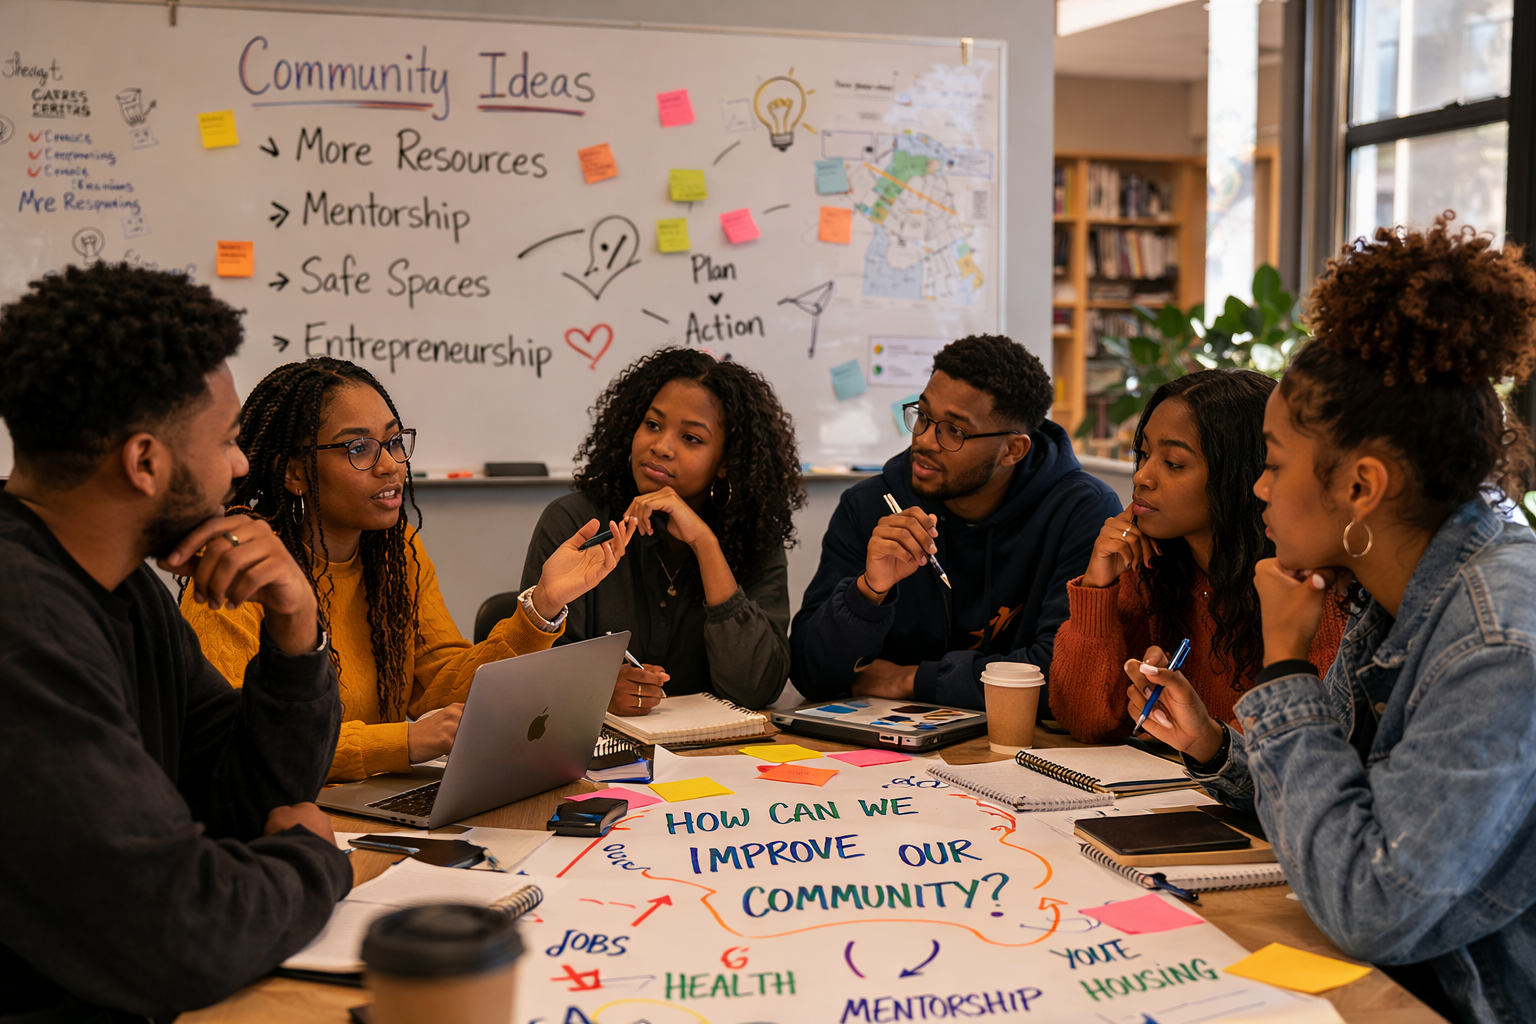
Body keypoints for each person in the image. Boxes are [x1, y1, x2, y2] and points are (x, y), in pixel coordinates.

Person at [1128, 217, 1536, 1023]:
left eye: (1274, 465)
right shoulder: (1396, 580)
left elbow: (1372, 903)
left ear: (1361, 487)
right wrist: (1216, 744)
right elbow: (1334, 802)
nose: (1258, 490)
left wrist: (1283, 669)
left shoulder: (1499, 642)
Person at [0, 264, 350, 1020]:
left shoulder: (120, 586)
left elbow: (244, 798)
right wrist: (316, 860)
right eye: (226, 441)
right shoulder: (22, 625)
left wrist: (294, 631)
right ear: (146, 461)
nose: (241, 465)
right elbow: (182, 934)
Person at [183, 357, 635, 783]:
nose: (390, 465)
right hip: (287, 810)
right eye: (358, 448)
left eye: (395, 442)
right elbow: (247, 740)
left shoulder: (396, 554)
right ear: (295, 472)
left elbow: (443, 688)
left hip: (374, 797)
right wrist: (406, 740)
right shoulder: (241, 564)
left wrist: (542, 604)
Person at [792, 334, 1121, 709]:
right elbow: (809, 673)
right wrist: (869, 592)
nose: (926, 440)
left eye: (955, 430)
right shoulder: (872, 505)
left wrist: (910, 679)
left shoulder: (1081, 512)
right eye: (923, 415)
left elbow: (1064, 676)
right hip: (886, 753)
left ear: (1013, 450)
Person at [1050, 369, 1347, 742]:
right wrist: (1098, 584)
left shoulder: (1315, 585)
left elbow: (1301, 740)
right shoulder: (1151, 565)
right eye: (1142, 454)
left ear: (1242, 477)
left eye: (1173, 463)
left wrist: (1200, 736)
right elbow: (1083, 718)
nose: (1142, 476)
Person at [522, 347, 804, 714]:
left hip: (714, 757)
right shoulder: (577, 522)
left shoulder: (754, 538)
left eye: (691, 438)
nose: (660, 446)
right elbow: (529, 668)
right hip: (592, 754)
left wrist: (705, 544)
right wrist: (596, 690)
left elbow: (756, 689)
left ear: (725, 462)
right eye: (652, 425)